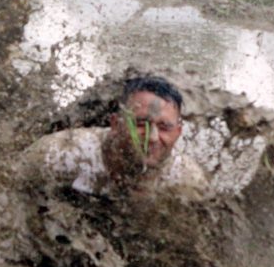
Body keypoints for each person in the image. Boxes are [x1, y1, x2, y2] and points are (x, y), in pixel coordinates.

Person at [14, 76, 208, 198]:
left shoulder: (186, 180)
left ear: (178, 132)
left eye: (165, 127)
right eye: (141, 124)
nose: (153, 138)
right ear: (115, 124)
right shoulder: (60, 153)